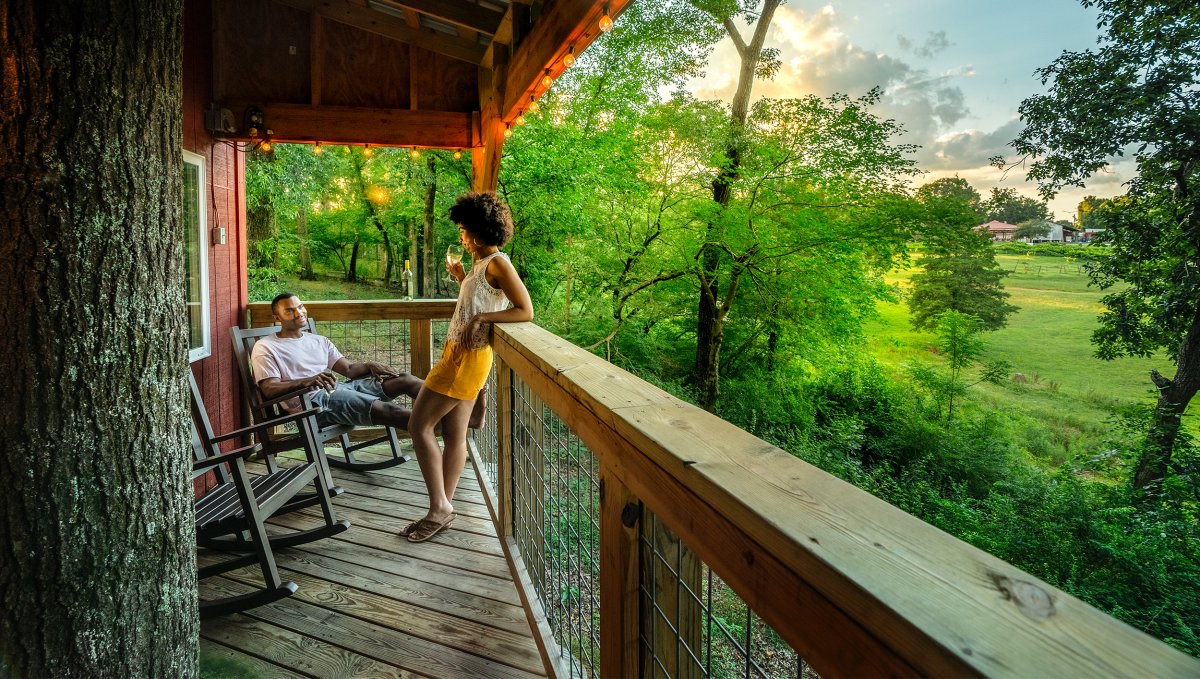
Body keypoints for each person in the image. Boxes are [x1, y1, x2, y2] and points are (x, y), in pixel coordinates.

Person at [400, 191, 533, 543]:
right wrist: (462, 277)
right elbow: (480, 298)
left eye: (462, 228)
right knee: (455, 434)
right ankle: (443, 507)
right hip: (459, 354)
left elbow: (525, 310)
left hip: (467, 359)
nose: (460, 235)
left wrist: (486, 319)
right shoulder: (480, 264)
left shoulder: (499, 263)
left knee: (418, 426)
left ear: (476, 231)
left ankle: (439, 508)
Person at [251, 292, 425, 430]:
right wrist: (306, 382)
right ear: (277, 318)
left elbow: (349, 369)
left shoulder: (318, 340)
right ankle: (442, 429)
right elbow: (268, 388)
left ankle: (448, 416)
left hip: (338, 388)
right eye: (289, 311)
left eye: (300, 306)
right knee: (390, 411)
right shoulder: (266, 346)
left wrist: (370, 365)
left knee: (405, 380)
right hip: (312, 404)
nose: (298, 313)